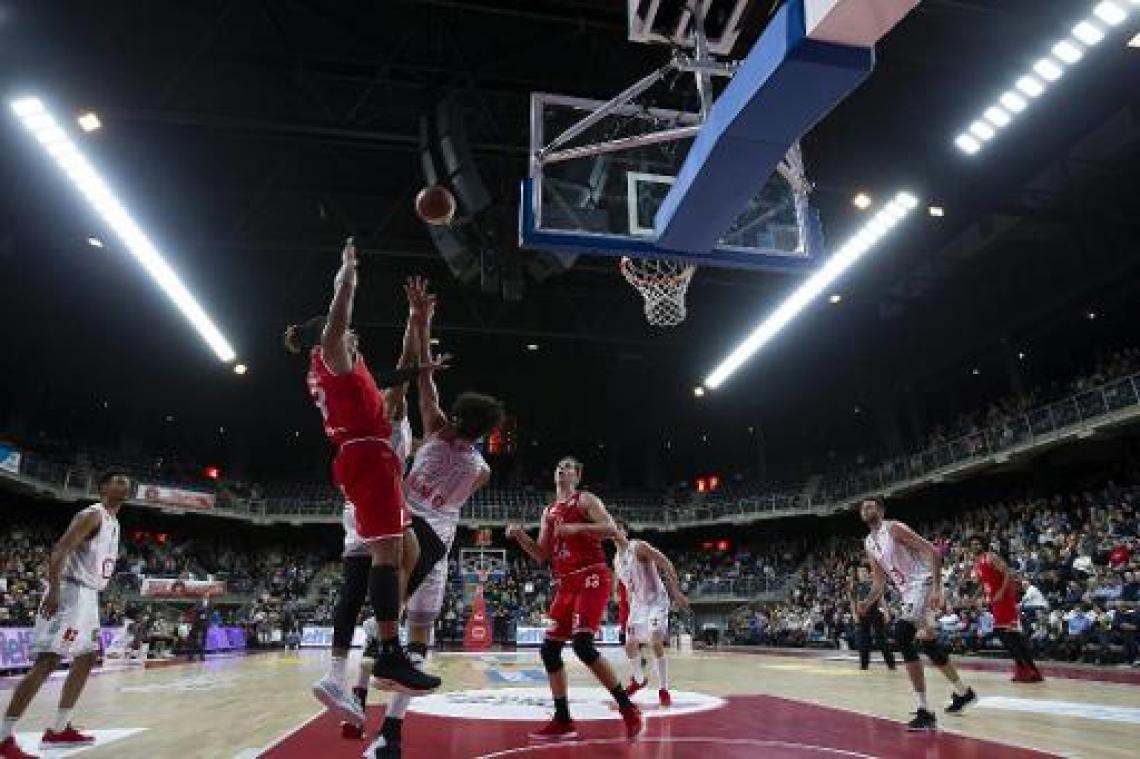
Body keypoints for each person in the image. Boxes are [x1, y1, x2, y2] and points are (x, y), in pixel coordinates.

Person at [284, 237, 443, 727]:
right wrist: (347, 273)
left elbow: (395, 374)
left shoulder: (352, 374)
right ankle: (389, 649)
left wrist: (421, 354)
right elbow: (338, 319)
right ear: (325, 341)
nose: (353, 337)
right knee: (389, 555)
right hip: (367, 459)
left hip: (365, 461)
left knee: (408, 551)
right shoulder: (329, 357)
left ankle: (371, 648)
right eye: (346, 333)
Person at [365, 277, 504, 759]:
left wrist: (422, 321)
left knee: (400, 634)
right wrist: (421, 323)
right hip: (429, 539)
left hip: (403, 526)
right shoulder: (481, 470)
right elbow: (427, 386)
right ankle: (390, 728)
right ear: (487, 431)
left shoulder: (435, 429)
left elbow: (423, 378)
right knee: (416, 640)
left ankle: (377, 702)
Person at [327, 276, 424, 739]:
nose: (391, 398)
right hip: (373, 494)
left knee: (397, 563)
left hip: (370, 496)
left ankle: (355, 696)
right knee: (398, 562)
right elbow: (404, 366)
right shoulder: (385, 419)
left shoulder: (391, 421)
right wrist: (414, 320)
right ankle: (387, 641)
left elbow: (402, 371)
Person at [507, 458, 644, 741]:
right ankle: (563, 719)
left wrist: (578, 528)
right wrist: (520, 536)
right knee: (549, 651)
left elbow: (611, 529)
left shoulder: (585, 500)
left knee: (582, 645)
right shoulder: (548, 511)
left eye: (569, 466)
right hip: (565, 584)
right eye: (559, 466)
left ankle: (628, 709)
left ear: (578, 476)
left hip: (592, 575)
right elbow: (542, 555)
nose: (562, 469)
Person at [1, 471, 131, 759]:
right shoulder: (92, 514)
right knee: (48, 661)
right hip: (71, 592)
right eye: (117, 479)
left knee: (87, 657)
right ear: (102, 488)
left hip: (88, 595)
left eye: (126, 481)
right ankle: (3, 737)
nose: (123, 483)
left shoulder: (114, 521)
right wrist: (54, 589)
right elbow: (61, 548)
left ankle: (59, 729)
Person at [857, 497, 977, 731]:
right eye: (863, 507)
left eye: (871, 506)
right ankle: (964, 693)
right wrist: (868, 601)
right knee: (928, 643)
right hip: (907, 592)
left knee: (902, 633)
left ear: (881, 510)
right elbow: (880, 581)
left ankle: (925, 710)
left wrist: (937, 588)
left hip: (922, 583)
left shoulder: (894, 528)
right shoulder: (869, 543)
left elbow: (932, 550)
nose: (866, 509)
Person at [612, 523, 689, 706]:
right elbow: (629, 587)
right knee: (630, 645)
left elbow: (665, 562)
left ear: (625, 532)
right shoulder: (616, 560)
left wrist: (676, 592)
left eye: (618, 528)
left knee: (655, 641)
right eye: (611, 528)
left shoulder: (639, 547)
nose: (614, 531)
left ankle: (663, 689)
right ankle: (638, 680)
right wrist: (630, 607)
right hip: (638, 605)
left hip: (656, 601)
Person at [967, 534, 1043, 683]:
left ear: (983, 544)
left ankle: (1026, 669)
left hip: (1005, 600)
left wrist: (1001, 591)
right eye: (972, 544)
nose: (975, 546)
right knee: (1012, 637)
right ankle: (1029, 671)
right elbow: (984, 583)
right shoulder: (978, 562)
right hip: (996, 602)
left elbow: (1008, 572)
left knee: (1006, 634)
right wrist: (974, 597)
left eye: (977, 544)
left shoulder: (991, 557)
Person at [849, 564, 896, 671]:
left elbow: (881, 599)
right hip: (862, 614)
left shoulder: (874, 584)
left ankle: (891, 664)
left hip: (874, 611)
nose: (862, 574)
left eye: (864, 571)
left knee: (881, 639)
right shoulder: (854, 585)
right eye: (860, 572)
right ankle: (864, 665)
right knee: (863, 640)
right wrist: (854, 615)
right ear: (858, 574)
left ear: (868, 573)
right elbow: (853, 601)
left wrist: (886, 613)